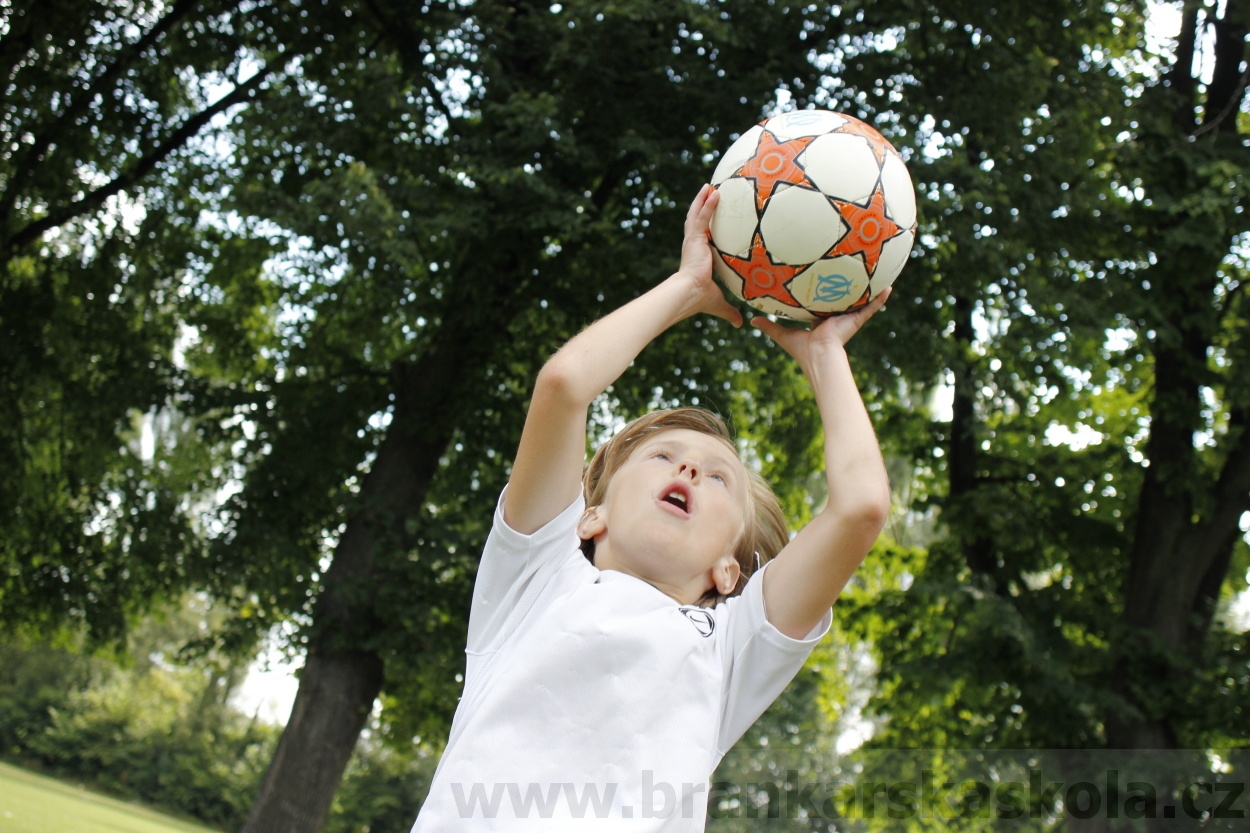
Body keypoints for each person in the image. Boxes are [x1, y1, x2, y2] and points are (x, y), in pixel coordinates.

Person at [410, 184, 891, 831]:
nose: (689, 467)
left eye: (720, 477)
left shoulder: (729, 649)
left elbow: (860, 506)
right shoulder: (535, 577)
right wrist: (690, 287)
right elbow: (563, 385)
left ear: (728, 570)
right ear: (591, 517)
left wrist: (824, 352)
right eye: (662, 457)